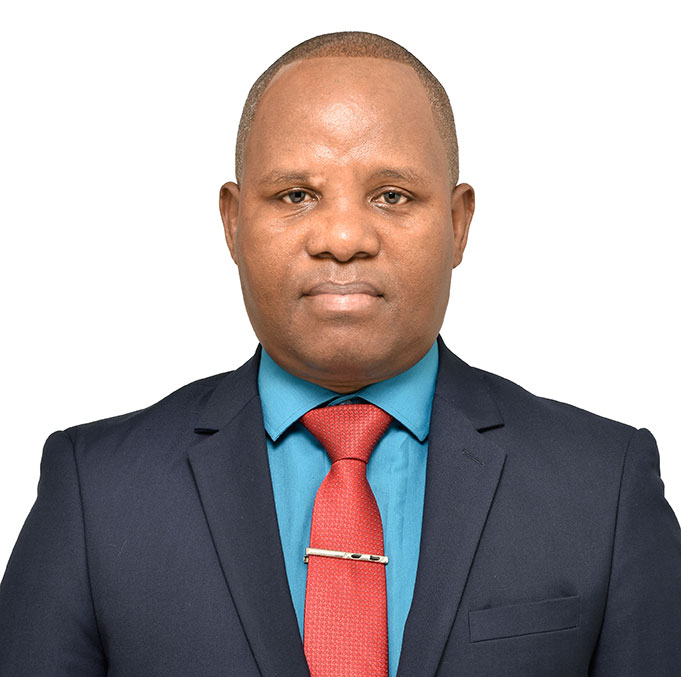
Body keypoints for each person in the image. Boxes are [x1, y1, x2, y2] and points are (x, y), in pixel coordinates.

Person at [1, 30, 680, 677]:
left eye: (392, 195)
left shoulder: (605, 486)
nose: (344, 238)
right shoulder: (94, 492)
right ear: (233, 223)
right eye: (296, 195)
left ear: (457, 222)